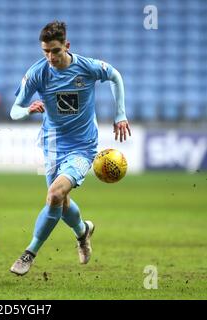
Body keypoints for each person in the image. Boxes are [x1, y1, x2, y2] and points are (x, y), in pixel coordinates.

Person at [9, 21, 131, 276]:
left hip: (82, 146)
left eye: (55, 50)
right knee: (60, 202)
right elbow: (15, 110)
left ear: (67, 45)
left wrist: (120, 114)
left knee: (54, 195)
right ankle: (83, 231)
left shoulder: (86, 67)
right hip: (52, 146)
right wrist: (28, 109)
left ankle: (29, 252)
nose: (50, 57)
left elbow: (115, 76)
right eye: (45, 51)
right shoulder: (37, 73)